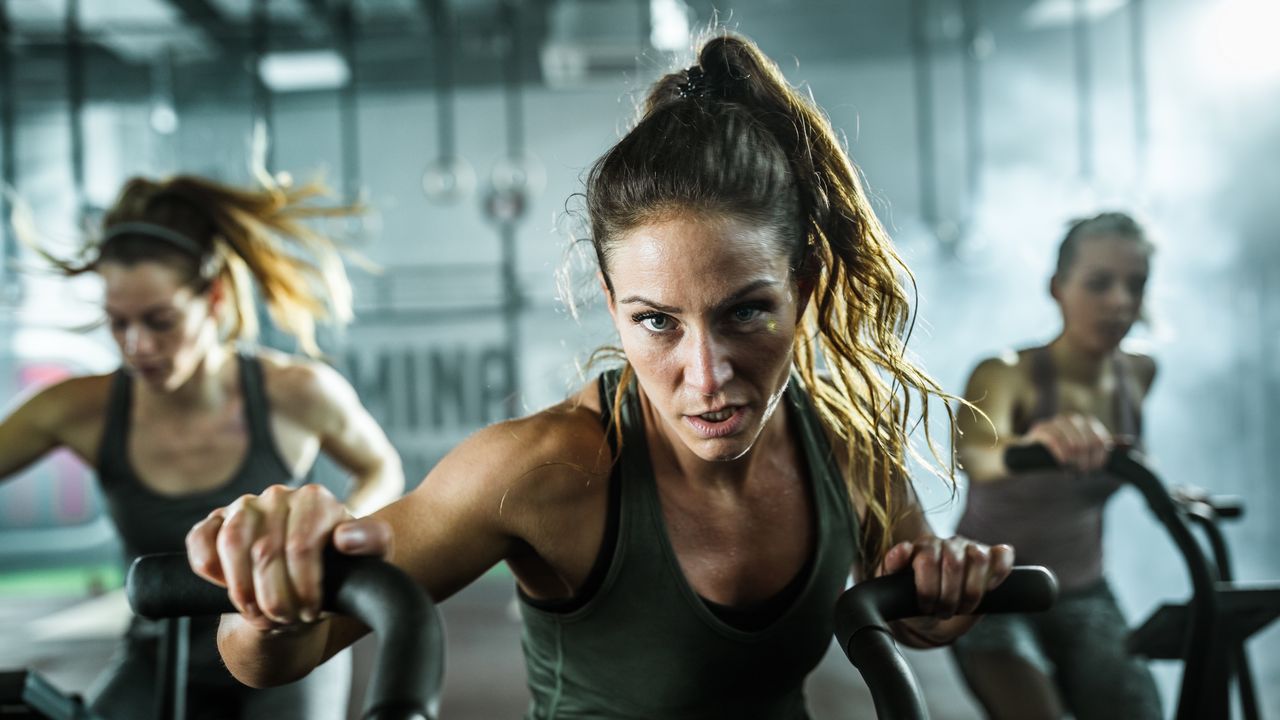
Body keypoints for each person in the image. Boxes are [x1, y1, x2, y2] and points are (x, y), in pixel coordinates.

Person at [186, 34, 1014, 719]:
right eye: (659, 322)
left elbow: (913, 616)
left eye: (746, 312)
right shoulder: (546, 469)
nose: (708, 374)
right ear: (614, 308)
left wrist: (947, 591)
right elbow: (263, 659)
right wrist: (273, 591)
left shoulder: (847, 444)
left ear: (804, 288)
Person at [0, 175, 405, 719]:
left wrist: (343, 523)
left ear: (213, 298)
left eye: (160, 321)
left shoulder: (295, 393)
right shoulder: (78, 409)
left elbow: (381, 466)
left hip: (283, 646)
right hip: (156, 653)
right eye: (118, 323)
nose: (137, 345)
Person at [950, 211, 1162, 719]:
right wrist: (1034, 443)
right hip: (993, 590)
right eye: (1099, 284)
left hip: (1083, 587)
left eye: (1135, 285)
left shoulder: (1140, 372)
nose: (1120, 302)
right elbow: (974, 455)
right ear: (1057, 288)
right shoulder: (1005, 372)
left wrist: (1168, 492)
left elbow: (1126, 459)